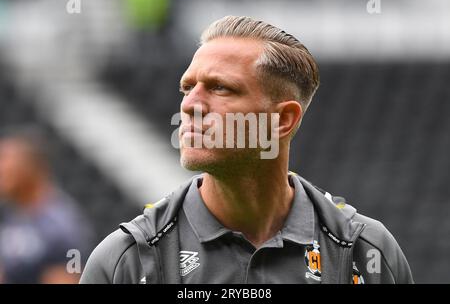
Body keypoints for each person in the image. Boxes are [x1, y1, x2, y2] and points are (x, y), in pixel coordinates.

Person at [80, 16, 413, 284]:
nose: (190, 105)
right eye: (187, 87)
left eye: (220, 88)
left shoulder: (365, 254)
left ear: (283, 119)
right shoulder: (127, 261)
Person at [0, 127, 92, 283]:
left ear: (32, 167)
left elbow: (69, 276)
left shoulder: (63, 225)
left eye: (4, 159)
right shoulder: (10, 215)